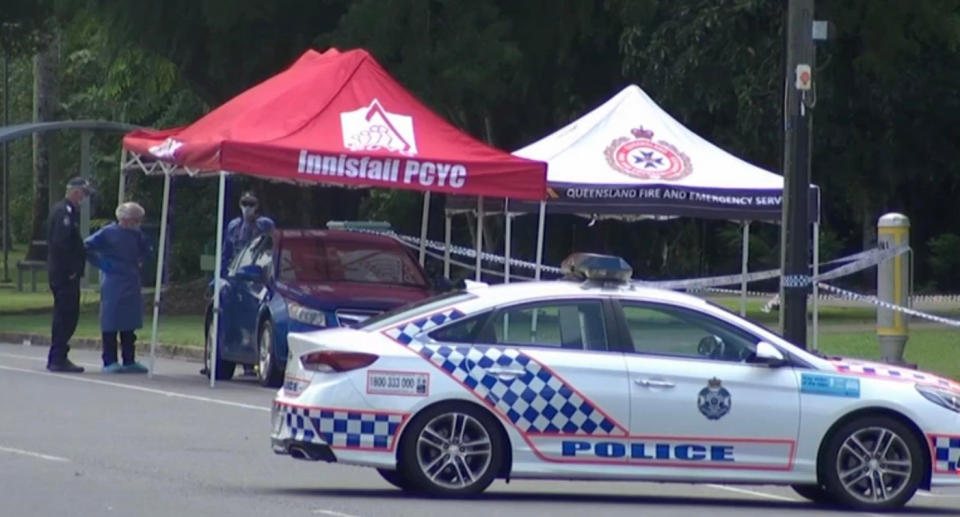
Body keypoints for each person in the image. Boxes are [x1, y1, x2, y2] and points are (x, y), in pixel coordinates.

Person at [85, 202, 151, 373]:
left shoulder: (137, 235)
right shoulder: (108, 233)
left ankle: (129, 359)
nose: (138, 223)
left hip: (131, 278)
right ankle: (109, 360)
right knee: (111, 319)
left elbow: (146, 250)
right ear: (125, 219)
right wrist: (101, 263)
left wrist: (142, 260)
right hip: (113, 279)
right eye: (136, 220)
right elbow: (87, 246)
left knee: (129, 321)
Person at [222, 190, 274, 376]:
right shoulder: (234, 226)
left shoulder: (265, 225)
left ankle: (251, 363)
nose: (247, 208)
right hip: (237, 274)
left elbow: (269, 249)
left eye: (251, 204)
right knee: (231, 315)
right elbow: (227, 250)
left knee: (252, 316)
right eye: (244, 203)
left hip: (256, 276)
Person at [46, 177, 94, 373]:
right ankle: (58, 357)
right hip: (64, 274)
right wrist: (71, 270)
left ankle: (58, 355)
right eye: (82, 194)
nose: (83, 198)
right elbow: (61, 244)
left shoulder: (67, 211)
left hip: (64, 273)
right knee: (65, 315)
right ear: (75, 192)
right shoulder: (64, 212)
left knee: (67, 315)